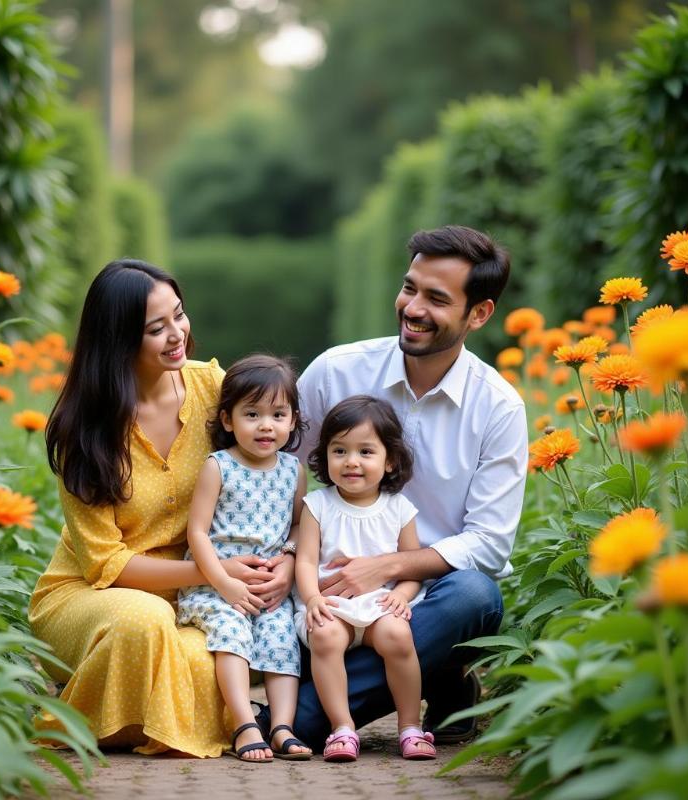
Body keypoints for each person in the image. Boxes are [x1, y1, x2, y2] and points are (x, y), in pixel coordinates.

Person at [29, 260, 296, 757]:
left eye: (179, 315)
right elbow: (105, 563)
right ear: (118, 338)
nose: (178, 334)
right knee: (143, 622)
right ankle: (102, 708)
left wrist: (290, 561)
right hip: (96, 595)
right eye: (157, 328)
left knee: (216, 657)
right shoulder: (84, 427)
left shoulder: (213, 389)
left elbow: (278, 478)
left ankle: (127, 712)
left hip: (205, 598)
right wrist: (212, 573)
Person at [277, 225, 528, 750]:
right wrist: (287, 558)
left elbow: (489, 543)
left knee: (475, 595)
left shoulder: (498, 407)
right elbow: (281, 474)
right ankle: (439, 678)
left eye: (436, 299)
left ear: (478, 314)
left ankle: (319, 714)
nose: (412, 307)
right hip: (325, 590)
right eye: (409, 287)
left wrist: (388, 567)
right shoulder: (335, 372)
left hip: (424, 597)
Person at [177, 355, 312, 762]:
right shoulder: (219, 467)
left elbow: (297, 526)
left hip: (269, 586)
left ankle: (282, 727)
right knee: (232, 633)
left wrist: (287, 557)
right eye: (252, 414)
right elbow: (197, 531)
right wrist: (222, 582)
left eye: (278, 414)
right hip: (216, 585)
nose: (266, 425)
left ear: (292, 421)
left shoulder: (293, 470)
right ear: (229, 420)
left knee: (281, 637)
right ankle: (243, 724)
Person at [296, 395, 436, 762]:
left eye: (365, 452)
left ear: (389, 460)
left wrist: (403, 594)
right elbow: (306, 561)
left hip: (378, 606)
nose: (351, 462)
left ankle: (410, 727)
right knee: (324, 635)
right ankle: (342, 728)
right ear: (325, 456)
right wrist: (312, 598)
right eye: (339, 451)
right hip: (334, 604)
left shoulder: (399, 508)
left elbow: (408, 565)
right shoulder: (318, 505)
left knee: (397, 634)